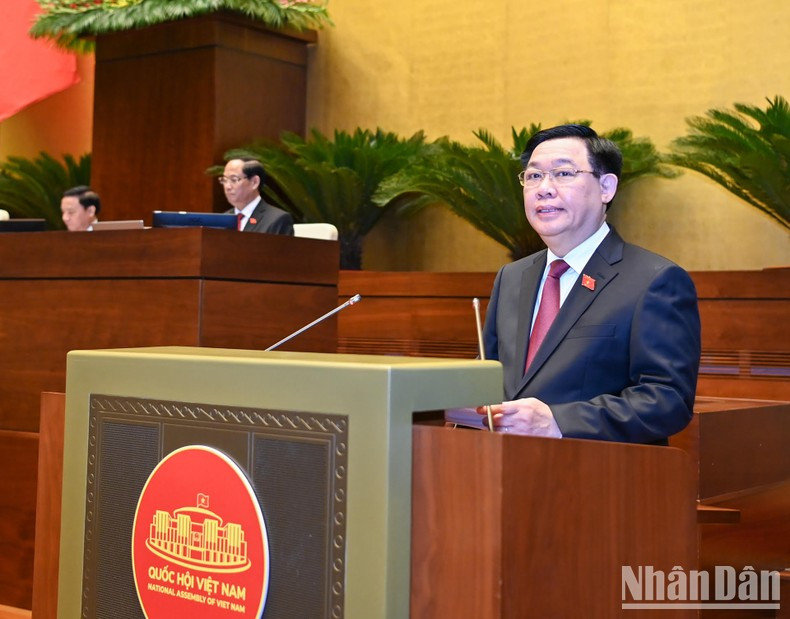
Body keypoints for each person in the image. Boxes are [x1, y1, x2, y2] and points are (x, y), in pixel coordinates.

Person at [479, 124, 701, 444]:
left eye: (564, 173)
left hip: (597, 477)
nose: (544, 188)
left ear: (606, 188)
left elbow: (666, 399)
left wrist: (557, 422)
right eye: (533, 176)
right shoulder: (512, 277)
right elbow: (490, 374)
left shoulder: (654, 280)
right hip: (502, 470)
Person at [219, 158, 294, 235]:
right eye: (224, 180)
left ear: (254, 182)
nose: (227, 186)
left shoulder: (277, 220)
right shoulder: (221, 220)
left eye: (234, 179)